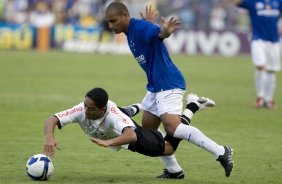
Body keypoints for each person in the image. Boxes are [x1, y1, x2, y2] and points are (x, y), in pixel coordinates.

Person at [105, 1, 234, 178]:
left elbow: (159, 34)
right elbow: (152, 34)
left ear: (125, 16)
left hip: (168, 83)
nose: (110, 25)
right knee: (150, 133)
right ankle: (174, 171)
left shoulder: (140, 27)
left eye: (113, 21)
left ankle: (221, 151)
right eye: (108, 22)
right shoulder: (133, 30)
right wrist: (151, 24)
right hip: (155, 87)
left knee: (172, 127)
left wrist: (164, 30)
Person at [44, 87, 213, 160]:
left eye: (90, 109)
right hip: (116, 124)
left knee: (168, 148)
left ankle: (193, 105)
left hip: (126, 134)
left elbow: (131, 135)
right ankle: (134, 108)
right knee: (121, 115)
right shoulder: (81, 109)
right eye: (85, 106)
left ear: (102, 109)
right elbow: (52, 119)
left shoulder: (112, 114)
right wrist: (49, 137)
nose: (85, 111)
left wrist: (108, 142)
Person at [226, 0, 281, 109]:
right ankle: (260, 97)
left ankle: (268, 99)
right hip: (258, 39)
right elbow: (235, 2)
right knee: (260, 66)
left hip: (274, 41)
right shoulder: (253, 2)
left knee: (271, 70)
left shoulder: (278, 2)